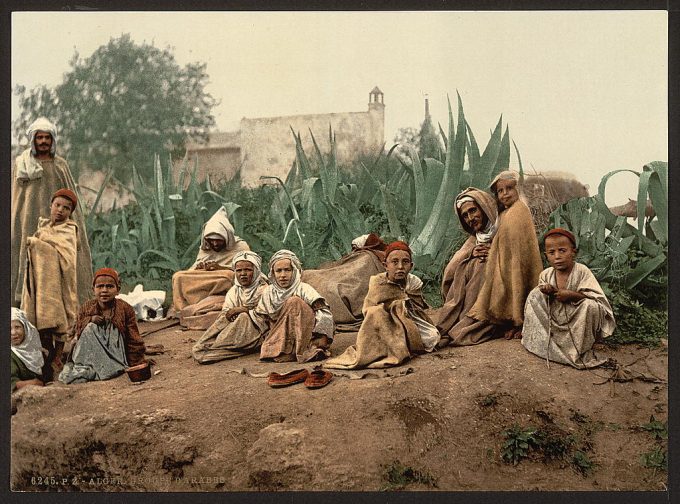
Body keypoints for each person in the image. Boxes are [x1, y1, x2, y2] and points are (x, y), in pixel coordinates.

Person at [11, 117, 93, 307]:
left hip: (58, 224)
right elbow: (16, 199)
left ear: (52, 140)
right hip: (28, 224)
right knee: (28, 260)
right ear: (33, 140)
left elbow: (71, 198)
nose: (43, 142)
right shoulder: (23, 166)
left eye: (47, 138)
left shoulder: (60, 165)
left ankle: (64, 308)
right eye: (39, 137)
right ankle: (25, 305)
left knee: (58, 264)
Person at [324, 241, 440, 370]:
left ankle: (401, 343)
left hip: (409, 319)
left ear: (411, 265)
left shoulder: (414, 282)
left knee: (432, 337)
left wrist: (404, 308)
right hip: (385, 322)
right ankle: (393, 347)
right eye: (395, 262)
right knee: (377, 315)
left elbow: (418, 309)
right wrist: (393, 308)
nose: (400, 267)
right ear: (386, 265)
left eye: (405, 262)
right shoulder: (378, 282)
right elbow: (368, 310)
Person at [521, 228, 616, 368]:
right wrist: (548, 291)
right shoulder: (546, 274)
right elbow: (543, 298)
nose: (557, 256)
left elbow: (597, 299)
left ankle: (575, 350)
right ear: (546, 255)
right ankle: (545, 342)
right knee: (535, 294)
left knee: (591, 306)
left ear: (573, 252)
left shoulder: (582, 271)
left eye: (562, 250)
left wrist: (571, 295)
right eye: (552, 253)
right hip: (554, 318)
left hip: (577, 319)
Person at [467, 170, 543, 339]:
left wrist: (509, 256)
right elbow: (501, 239)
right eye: (500, 191)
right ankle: (510, 322)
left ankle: (521, 323)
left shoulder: (520, 211)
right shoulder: (504, 213)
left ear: (518, 189)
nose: (504, 194)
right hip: (506, 260)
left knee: (519, 285)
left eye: (509, 188)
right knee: (508, 288)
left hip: (519, 260)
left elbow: (522, 243)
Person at [21, 188, 80, 381]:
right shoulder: (44, 228)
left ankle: (58, 356)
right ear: (51, 206)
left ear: (70, 212)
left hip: (58, 284)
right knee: (42, 320)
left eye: (66, 208)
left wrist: (38, 243)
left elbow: (68, 258)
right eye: (57, 205)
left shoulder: (69, 229)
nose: (60, 210)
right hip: (42, 283)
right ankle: (46, 358)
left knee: (59, 318)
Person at [59, 268, 146, 384]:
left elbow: (133, 338)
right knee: (90, 328)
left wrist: (136, 363)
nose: (104, 290)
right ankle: (89, 367)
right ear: (93, 289)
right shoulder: (86, 307)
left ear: (118, 290)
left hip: (115, 354)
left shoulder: (125, 308)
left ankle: (107, 368)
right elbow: (78, 332)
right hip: (90, 352)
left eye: (109, 286)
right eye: (100, 287)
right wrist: (90, 319)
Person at [436, 188, 499, 346]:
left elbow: (518, 258)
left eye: (473, 210)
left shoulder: (503, 227)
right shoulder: (475, 238)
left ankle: (467, 325)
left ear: (484, 208)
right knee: (465, 266)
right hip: (478, 287)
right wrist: (471, 253)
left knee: (480, 266)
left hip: (501, 289)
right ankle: (453, 324)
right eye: (465, 215)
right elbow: (450, 271)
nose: (470, 218)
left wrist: (495, 253)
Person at [171, 206, 251, 329]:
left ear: (227, 237)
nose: (214, 244)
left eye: (218, 241)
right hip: (207, 275)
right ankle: (183, 310)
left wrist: (220, 267)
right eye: (210, 240)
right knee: (178, 276)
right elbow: (193, 270)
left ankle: (206, 303)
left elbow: (246, 271)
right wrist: (199, 267)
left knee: (228, 276)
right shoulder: (206, 249)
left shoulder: (240, 247)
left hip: (226, 278)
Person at [256, 250, 334, 363]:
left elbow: (323, 312)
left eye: (287, 270)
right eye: (278, 271)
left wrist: (322, 337)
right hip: (279, 335)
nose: (283, 275)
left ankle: (301, 349)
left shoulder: (303, 288)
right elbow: (262, 319)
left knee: (294, 302)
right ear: (273, 273)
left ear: (295, 271)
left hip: (305, 334)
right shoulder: (268, 293)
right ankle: (284, 350)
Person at [192, 251, 269, 363]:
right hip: (236, 328)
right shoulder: (234, 291)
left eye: (248, 270)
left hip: (256, 333)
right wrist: (231, 313)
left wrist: (243, 310)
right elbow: (227, 313)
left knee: (243, 317)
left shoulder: (264, 290)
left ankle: (219, 348)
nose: (243, 274)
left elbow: (266, 316)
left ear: (256, 271)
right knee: (224, 318)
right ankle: (213, 345)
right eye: (239, 270)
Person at [302, 233, 387, 331]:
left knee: (330, 287)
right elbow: (341, 269)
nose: (353, 251)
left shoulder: (368, 257)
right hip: (336, 277)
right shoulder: (362, 256)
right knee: (312, 276)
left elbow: (355, 272)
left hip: (351, 284)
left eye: (355, 248)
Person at [11, 308, 45, 392]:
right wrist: (34, 383)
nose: (13, 333)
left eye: (17, 327)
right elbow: (11, 383)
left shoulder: (33, 349)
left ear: (25, 328)